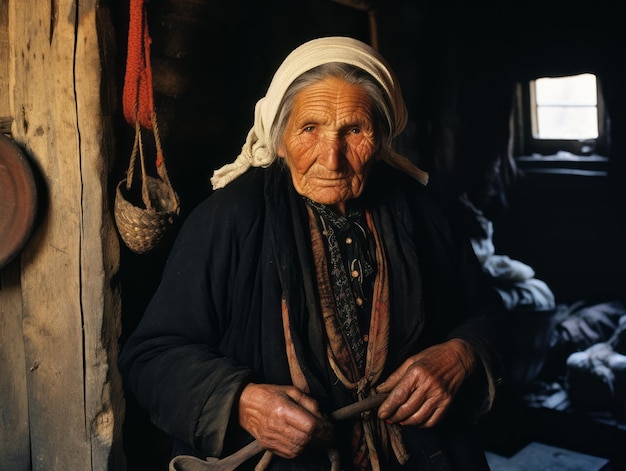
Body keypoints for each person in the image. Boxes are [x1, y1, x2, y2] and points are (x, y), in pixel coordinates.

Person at [119, 36, 504, 470]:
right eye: (310, 129)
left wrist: (461, 355)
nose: (332, 158)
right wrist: (242, 400)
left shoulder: (424, 213)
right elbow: (150, 356)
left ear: (380, 140)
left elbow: (487, 313)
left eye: (354, 130)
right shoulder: (228, 219)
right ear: (279, 137)